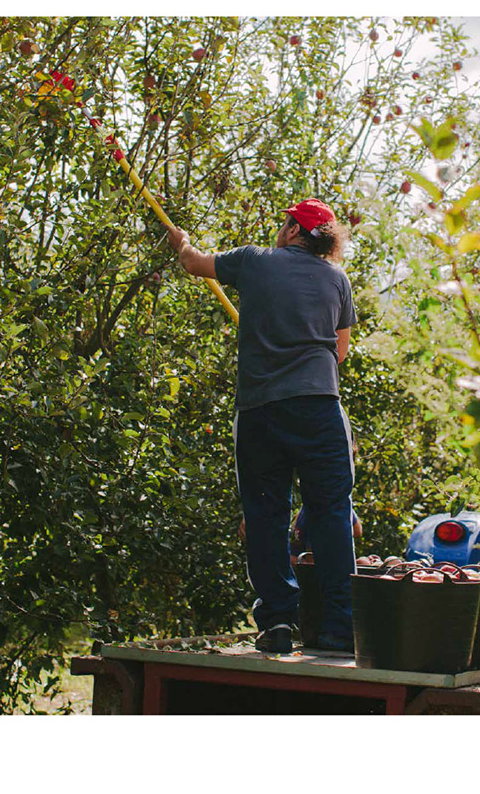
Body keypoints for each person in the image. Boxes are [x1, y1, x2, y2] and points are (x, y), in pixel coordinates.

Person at [167, 198, 357, 654]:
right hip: (317, 408)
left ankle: (276, 625)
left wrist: (183, 242)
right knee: (331, 512)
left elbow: (195, 264)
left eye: (284, 223)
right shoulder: (337, 280)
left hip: (260, 412)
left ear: (293, 230)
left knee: (266, 515)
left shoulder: (254, 260)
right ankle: (339, 628)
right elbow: (339, 352)